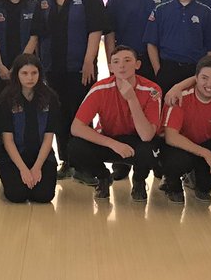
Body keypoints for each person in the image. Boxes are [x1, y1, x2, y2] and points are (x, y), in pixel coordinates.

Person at [29, 0, 110, 176]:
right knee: (59, 114)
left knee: (81, 115)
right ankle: (67, 160)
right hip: (52, 69)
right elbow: (36, 34)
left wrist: (88, 62)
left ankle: (86, 163)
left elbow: (96, 30)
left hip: (80, 69)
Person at [67, 46, 161, 201]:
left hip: (138, 141)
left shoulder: (152, 90)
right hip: (110, 139)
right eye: (116, 62)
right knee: (75, 147)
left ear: (137, 65)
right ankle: (103, 177)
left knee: (150, 150)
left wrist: (132, 98)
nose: (121, 66)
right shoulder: (100, 88)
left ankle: (139, 180)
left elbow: (146, 135)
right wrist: (113, 144)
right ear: (110, 67)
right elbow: (76, 127)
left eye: (127, 60)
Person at [160, 56, 211, 204]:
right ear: (196, 78)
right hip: (178, 145)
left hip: (204, 141)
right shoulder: (180, 96)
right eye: (204, 78)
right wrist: (205, 153)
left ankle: (201, 184)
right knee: (178, 161)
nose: (209, 84)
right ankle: (171, 183)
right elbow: (171, 137)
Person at [144, 0, 211, 98]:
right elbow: (151, 43)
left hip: (195, 70)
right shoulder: (160, 9)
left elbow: (210, 48)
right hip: (168, 68)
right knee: (167, 110)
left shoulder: (205, 11)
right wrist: (158, 70)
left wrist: (204, 74)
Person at [0, 53, 59, 204]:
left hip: (41, 156)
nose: (30, 78)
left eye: (34, 73)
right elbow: (8, 141)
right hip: (14, 157)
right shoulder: (5, 99)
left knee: (44, 196)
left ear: (39, 74)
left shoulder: (50, 97)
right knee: (17, 196)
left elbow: (49, 137)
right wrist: (24, 170)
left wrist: (37, 168)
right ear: (16, 75)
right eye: (24, 73)